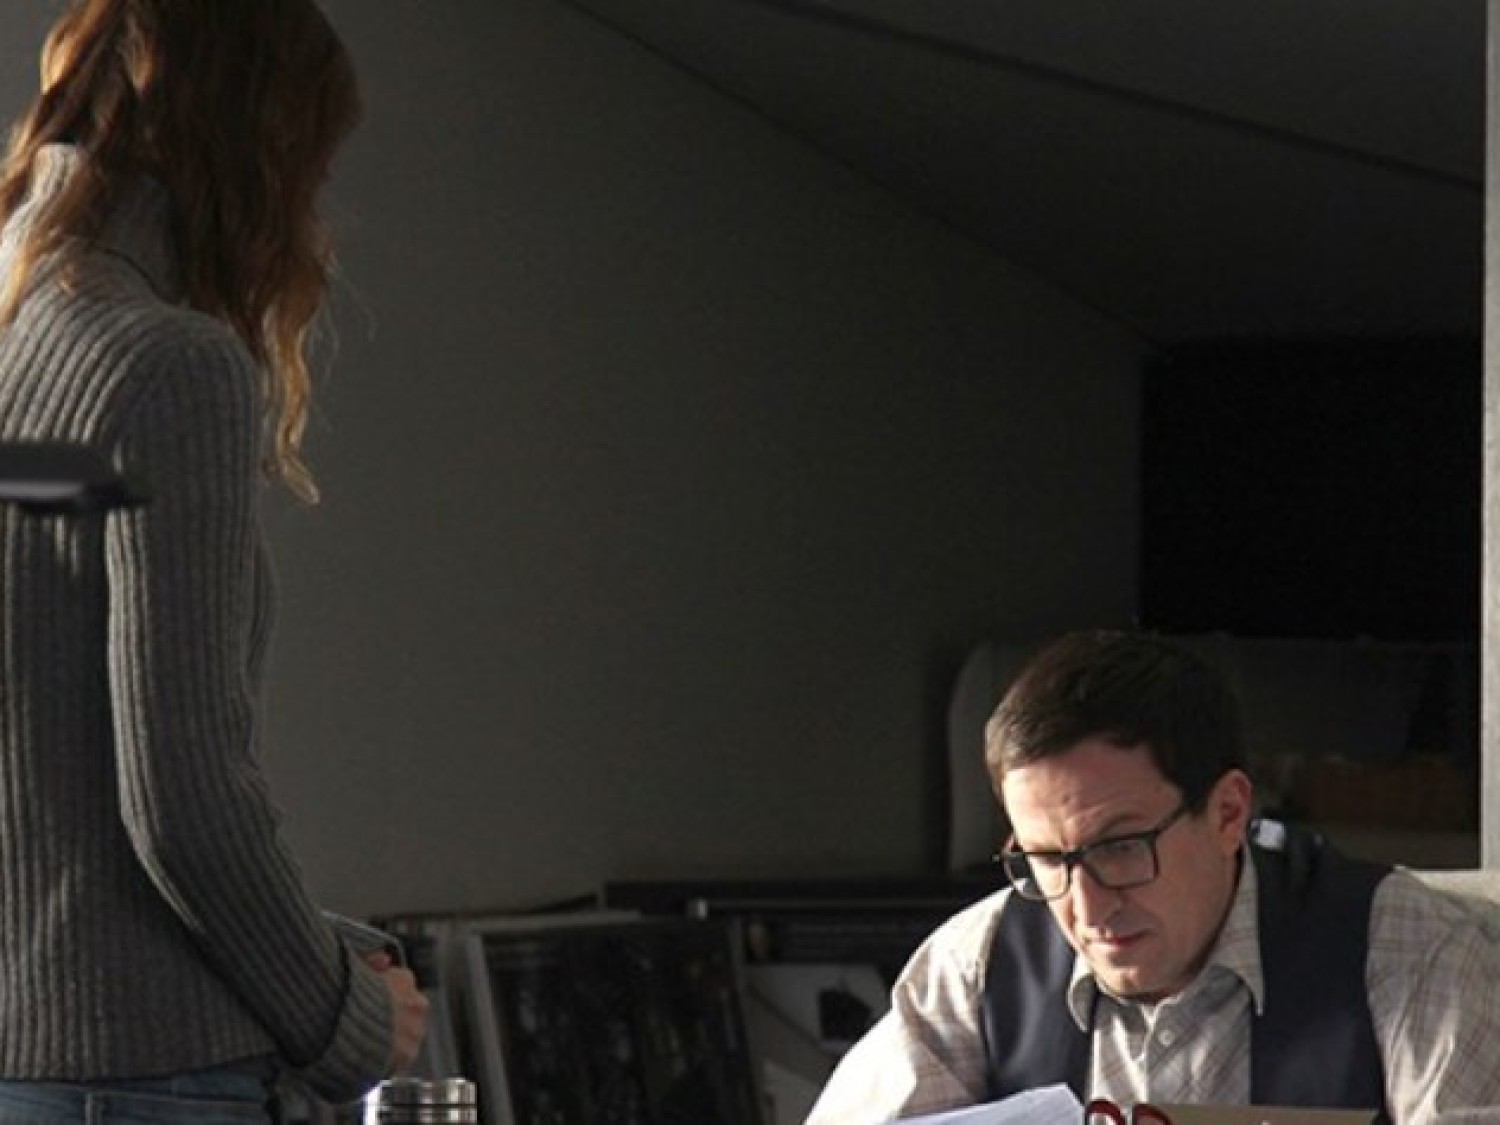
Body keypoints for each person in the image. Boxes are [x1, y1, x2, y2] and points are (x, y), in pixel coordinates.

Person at [0, 2, 427, 1121]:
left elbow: (53, 774)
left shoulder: (16, 326)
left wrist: (311, 948)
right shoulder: (167, 367)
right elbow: (180, 799)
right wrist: (348, 1017)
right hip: (140, 1083)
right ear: (257, 148)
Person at [807, 630, 1500, 1123]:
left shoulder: (1409, 952)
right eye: (1047, 858)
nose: (1086, 909)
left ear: (1228, 813)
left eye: (1119, 847)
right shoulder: (977, 966)